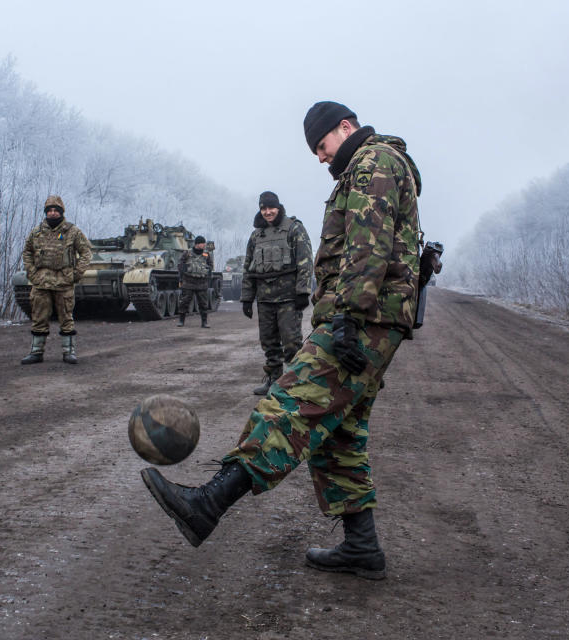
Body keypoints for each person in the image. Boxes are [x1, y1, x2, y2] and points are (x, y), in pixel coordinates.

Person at [141, 101, 421, 580]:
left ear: (346, 127)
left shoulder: (373, 163)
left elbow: (367, 247)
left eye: (322, 144)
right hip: (372, 319)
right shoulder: (369, 166)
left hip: (363, 320)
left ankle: (209, 502)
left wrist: (349, 319)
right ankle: (362, 546)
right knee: (338, 435)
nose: (319, 156)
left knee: (289, 405)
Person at [241, 191, 313, 395]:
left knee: (291, 342)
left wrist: (303, 292)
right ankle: (273, 379)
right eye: (263, 208)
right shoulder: (257, 235)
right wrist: (247, 297)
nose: (267, 212)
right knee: (269, 342)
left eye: (271, 208)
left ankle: (292, 383)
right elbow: (248, 267)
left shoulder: (294, 228)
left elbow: (305, 260)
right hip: (265, 298)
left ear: (279, 207)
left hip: (288, 297)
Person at [20, 195, 91, 365]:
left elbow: (86, 252)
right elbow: (27, 252)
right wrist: (32, 272)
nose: (52, 213)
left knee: (66, 317)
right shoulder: (36, 232)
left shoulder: (72, 231)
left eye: (55, 210)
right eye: (49, 210)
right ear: (46, 212)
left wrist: (76, 274)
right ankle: (36, 352)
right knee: (39, 317)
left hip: (63, 281)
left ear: (61, 212)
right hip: (41, 282)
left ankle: (69, 352)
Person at [177, 235, 214, 328]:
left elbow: (210, 265)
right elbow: (181, 264)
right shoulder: (187, 253)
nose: (204, 245)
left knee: (203, 303)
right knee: (184, 302)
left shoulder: (206, 254)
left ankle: (204, 322)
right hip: (189, 282)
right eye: (203, 243)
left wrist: (207, 273)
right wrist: (182, 275)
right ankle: (181, 321)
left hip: (201, 282)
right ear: (198, 244)